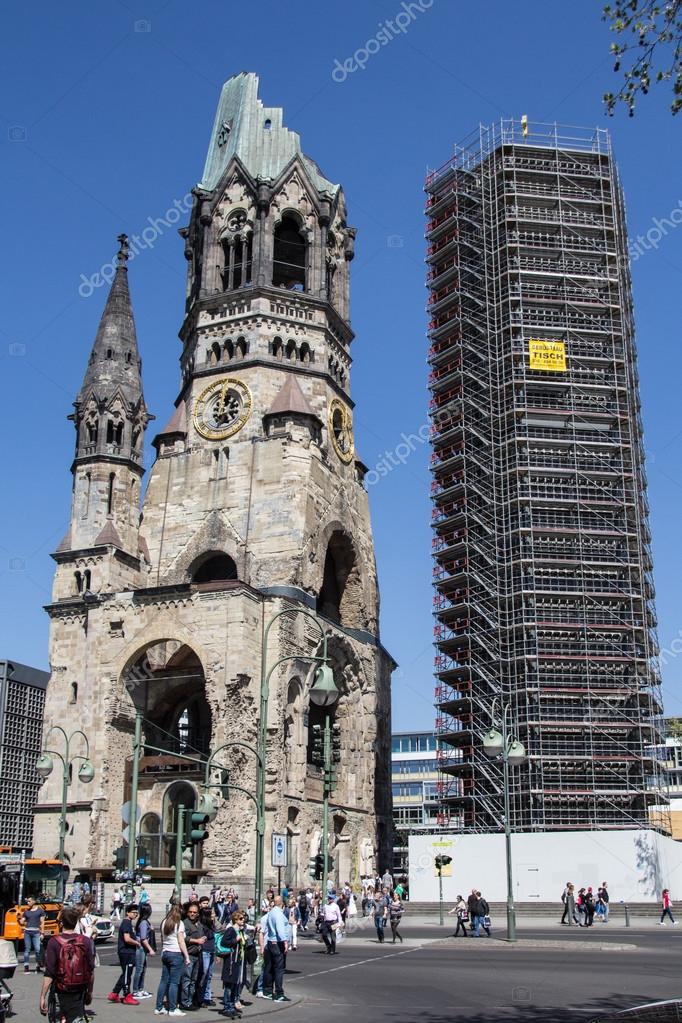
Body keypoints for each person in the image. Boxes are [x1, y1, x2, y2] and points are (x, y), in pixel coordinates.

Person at [39, 905, 95, 1023]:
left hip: (60, 989)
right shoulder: (85, 941)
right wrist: (89, 992)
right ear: (76, 922)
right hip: (79, 990)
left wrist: (43, 996)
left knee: (58, 1018)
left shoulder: (54, 942)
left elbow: (49, 973)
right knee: (76, 1018)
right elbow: (90, 970)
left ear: (61, 922)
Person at [155, 903, 190, 1016]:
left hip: (165, 952)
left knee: (164, 980)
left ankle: (159, 1007)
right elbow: (181, 941)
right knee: (174, 983)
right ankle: (173, 1008)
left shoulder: (165, 922)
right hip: (176, 953)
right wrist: (186, 956)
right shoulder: (179, 924)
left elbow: (162, 938)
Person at [108, 903, 141, 1005]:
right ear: (127, 913)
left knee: (125, 973)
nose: (136, 915)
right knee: (127, 974)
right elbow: (127, 939)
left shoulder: (128, 923)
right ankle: (127, 995)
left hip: (127, 952)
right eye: (133, 912)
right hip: (127, 952)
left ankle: (114, 993)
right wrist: (137, 943)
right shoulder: (126, 923)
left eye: (137, 913)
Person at [218, 910, 247, 1019]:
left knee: (235, 984)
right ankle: (227, 1006)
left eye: (243, 919)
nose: (243, 920)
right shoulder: (231, 930)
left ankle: (231, 1005)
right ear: (235, 920)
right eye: (240, 919)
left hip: (237, 961)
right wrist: (235, 940)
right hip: (230, 961)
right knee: (229, 985)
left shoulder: (240, 930)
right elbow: (224, 942)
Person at [261, 895, 290, 1002]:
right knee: (279, 969)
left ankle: (267, 991)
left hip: (270, 942)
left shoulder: (272, 912)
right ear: (281, 903)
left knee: (270, 967)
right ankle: (279, 994)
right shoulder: (278, 914)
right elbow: (280, 928)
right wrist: (285, 941)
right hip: (277, 943)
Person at [180, 902, 206, 1009]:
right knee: (186, 979)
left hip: (197, 955)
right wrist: (197, 941)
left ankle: (190, 1001)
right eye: (190, 912)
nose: (192, 914)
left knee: (193, 980)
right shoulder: (185, 923)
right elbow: (183, 938)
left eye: (194, 912)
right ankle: (184, 1002)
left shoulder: (199, 924)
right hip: (189, 955)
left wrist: (203, 939)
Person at [132, 902, 155, 999]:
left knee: (143, 969)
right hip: (141, 948)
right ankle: (136, 990)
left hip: (143, 948)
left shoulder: (145, 922)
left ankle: (140, 989)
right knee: (139, 969)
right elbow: (143, 939)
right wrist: (151, 950)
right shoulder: (144, 922)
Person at [198, 897, 217, 1007]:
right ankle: (200, 997)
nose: (214, 916)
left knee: (209, 975)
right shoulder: (202, 925)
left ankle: (207, 996)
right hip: (205, 951)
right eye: (212, 914)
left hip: (211, 951)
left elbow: (219, 929)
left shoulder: (212, 924)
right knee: (203, 974)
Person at [19, 895, 45, 973]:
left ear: (34, 901)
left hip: (36, 932)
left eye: (29, 901)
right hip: (27, 932)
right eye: (27, 901)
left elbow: (42, 923)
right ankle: (26, 967)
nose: (28, 903)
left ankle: (37, 966)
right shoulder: (26, 912)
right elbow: (22, 922)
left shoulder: (40, 911)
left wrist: (42, 933)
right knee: (27, 950)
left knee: (37, 950)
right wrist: (20, 919)